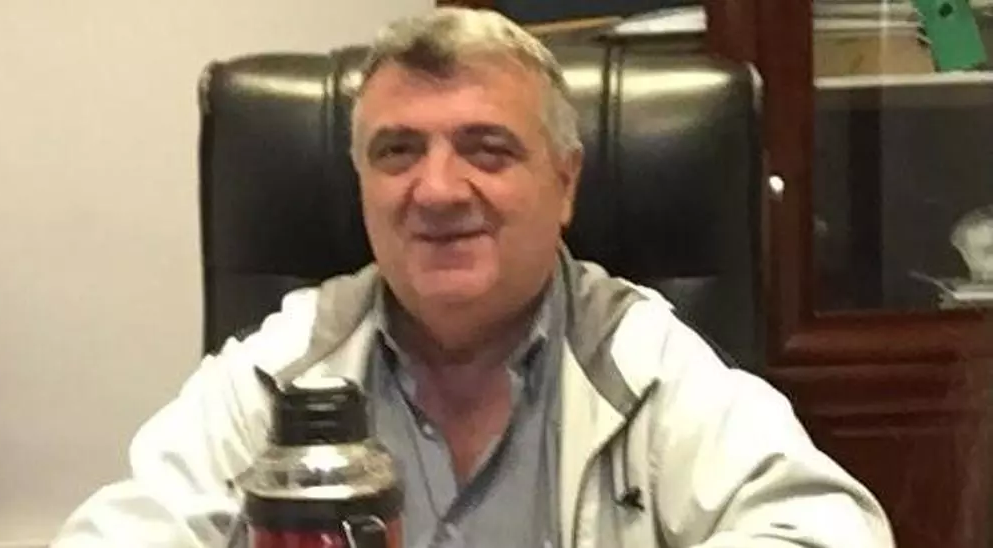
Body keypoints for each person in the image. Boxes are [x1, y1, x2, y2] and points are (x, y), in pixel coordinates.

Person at [51, 7, 894, 548]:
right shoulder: (287, 365)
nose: (438, 190)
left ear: (564, 182)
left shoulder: (639, 357)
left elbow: (828, 531)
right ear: (361, 185)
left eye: (486, 150)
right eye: (398, 152)